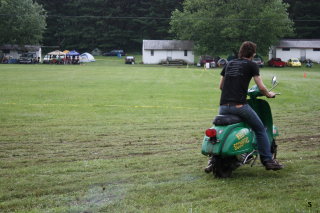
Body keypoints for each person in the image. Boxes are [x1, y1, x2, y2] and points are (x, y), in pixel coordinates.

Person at [218, 41, 283, 170]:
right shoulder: (252, 65)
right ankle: (267, 160)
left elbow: (221, 86)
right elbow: (261, 86)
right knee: (260, 128)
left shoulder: (229, 64)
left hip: (223, 106)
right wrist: (269, 94)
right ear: (253, 53)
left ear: (240, 51)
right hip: (240, 106)